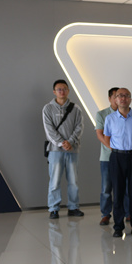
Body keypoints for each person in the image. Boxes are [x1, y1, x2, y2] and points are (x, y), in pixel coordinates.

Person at [103, 88, 132, 237]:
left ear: (130, 99)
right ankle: (118, 227)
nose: (123, 98)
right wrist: (120, 149)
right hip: (117, 158)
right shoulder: (110, 118)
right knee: (118, 193)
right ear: (115, 99)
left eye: (126, 96)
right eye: (120, 96)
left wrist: (131, 147)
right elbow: (107, 138)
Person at [43, 79, 84, 219]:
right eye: (59, 89)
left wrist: (70, 142)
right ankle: (53, 208)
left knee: (73, 180)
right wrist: (61, 143)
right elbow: (49, 129)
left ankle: (73, 207)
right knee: (54, 181)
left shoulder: (76, 108)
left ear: (68, 91)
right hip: (55, 150)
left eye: (64, 89)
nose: (62, 91)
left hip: (72, 150)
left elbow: (79, 127)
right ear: (54, 91)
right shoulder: (48, 108)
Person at [95, 87, 128, 226]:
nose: (118, 99)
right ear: (110, 99)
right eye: (115, 96)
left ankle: (128, 213)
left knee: (126, 186)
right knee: (106, 188)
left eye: (121, 96)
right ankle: (105, 214)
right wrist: (112, 147)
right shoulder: (102, 114)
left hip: (125, 156)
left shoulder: (128, 113)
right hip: (107, 157)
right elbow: (100, 134)